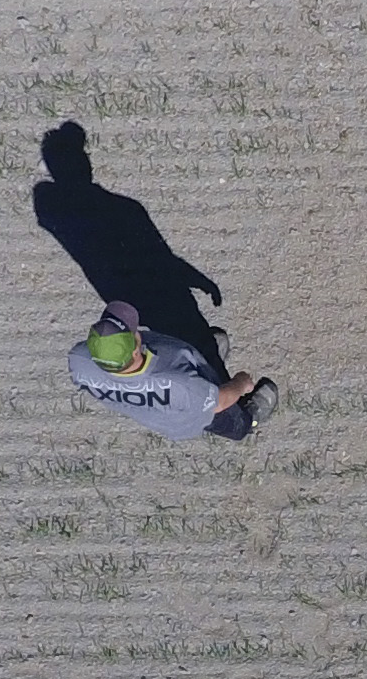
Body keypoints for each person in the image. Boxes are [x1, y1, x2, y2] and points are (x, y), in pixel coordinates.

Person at [32, 120, 237, 380]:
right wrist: (198, 279)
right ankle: (230, 407)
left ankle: (199, 360)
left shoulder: (51, 208)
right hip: (159, 289)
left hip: (117, 293)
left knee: (165, 340)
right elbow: (160, 258)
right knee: (194, 338)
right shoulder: (125, 210)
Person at [70, 303, 275, 441]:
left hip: (171, 402)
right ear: (135, 350)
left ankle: (209, 361)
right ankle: (250, 420)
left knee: (201, 368)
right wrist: (240, 384)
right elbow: (219, 402)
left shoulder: (80, 361)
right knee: (232, 421)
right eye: (134, 332)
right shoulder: (178, 384)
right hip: (193, 412)